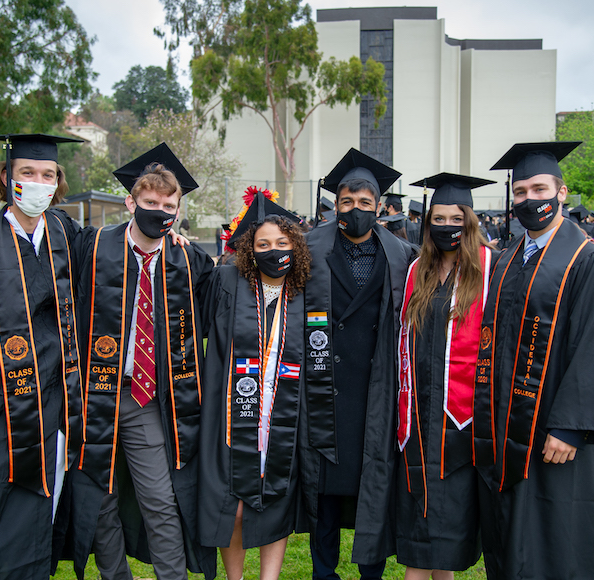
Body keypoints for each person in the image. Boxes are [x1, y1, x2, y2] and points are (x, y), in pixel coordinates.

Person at [62, 143, 216, 580]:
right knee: (100, 499)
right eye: (150, 203)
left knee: (160, 499)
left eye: (169, 205)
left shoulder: (188, 260)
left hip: (147, 397)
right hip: (94, 396)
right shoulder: (92, 247)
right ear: (131, 202)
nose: (160, 211)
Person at [0, 133, 84, 579]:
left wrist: (173, 238)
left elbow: (122, 251)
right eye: (27, 172)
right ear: (7, 177)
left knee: (36, 516)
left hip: (52, 406)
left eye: (47, 175)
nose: (38, 182)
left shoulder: (66, 234)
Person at [473, 141, 594, 580]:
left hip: (553, 428)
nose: (530, 200)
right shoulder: (508, 258)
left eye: (539, 188)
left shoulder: (584, 258)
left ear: (561, 193)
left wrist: (570, 425)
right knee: (507, 534)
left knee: (549, 539)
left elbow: (590, 344)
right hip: (505, 421)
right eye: (520, 191)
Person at [299, 147, 415, 580]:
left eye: (365, 203)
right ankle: (323, 572)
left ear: (380, 206)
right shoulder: (309, 247)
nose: (356, 210)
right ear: (336, 204)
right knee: (325, 487)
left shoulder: (402, 254)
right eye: (347, 202)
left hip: (377, 387)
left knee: (375, 482)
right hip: (325, 383)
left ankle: (371, 572)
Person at [199, 189, 311, 580]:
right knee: (234, 505)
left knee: (275, 499)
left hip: (282, 412)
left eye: (282, 243)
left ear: (295, 246)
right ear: (249, 249)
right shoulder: (228, 281)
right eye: (263, 244)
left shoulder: (303, 292)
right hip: (232, 411)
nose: (273, 250)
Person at [396, 173, 496, 580]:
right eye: (438, 218)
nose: (446, 226)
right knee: (419, 529)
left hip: (461, 418)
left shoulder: (491, 267)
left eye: (456, 218)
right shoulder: (417, 269)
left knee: (449, 531)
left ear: (469, 221)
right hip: (418, 416)